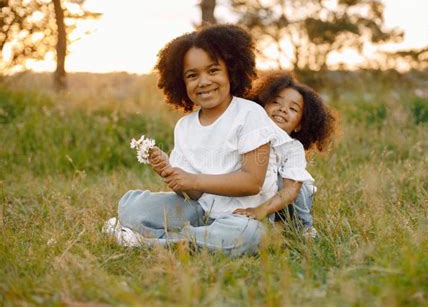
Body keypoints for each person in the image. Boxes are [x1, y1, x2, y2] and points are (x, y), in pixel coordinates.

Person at [103, 24, 290, 256]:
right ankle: (192, 237)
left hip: (244, 216)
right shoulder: (185, 126)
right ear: (181, 83)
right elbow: (193, 194)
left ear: (231, 71)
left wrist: (193, 179)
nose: (203, 82)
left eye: (213, 71)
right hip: (199, 210)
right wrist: (171, 174)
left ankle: (151, 242)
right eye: (192, 75)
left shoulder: (249, 114)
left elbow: (252, 182)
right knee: (131, 206)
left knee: (250, 236)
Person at [233, 71, 336, 237]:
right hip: (260, 194)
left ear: (299, 125)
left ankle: (304, 227)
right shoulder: (247, 134)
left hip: (290, 199)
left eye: (293, 108)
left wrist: (261, 210)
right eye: (275, 102)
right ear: (261, 106)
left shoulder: (292, 147)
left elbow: (291, 190)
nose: (282, 109)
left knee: (289, 181)